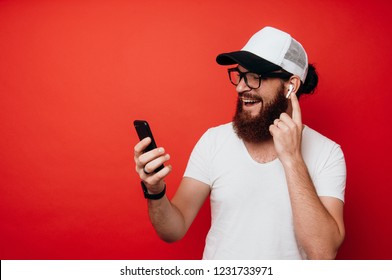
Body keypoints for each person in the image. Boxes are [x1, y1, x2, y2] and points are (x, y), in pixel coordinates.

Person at [133, 26, 346, 260]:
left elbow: (323, 252)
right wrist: (155, 191)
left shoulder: (327, 154)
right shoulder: (214, 141)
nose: (241, 87)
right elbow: (173, 230)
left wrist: (293, 159)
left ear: (291, 86)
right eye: (240, 74)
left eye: (255, 77)